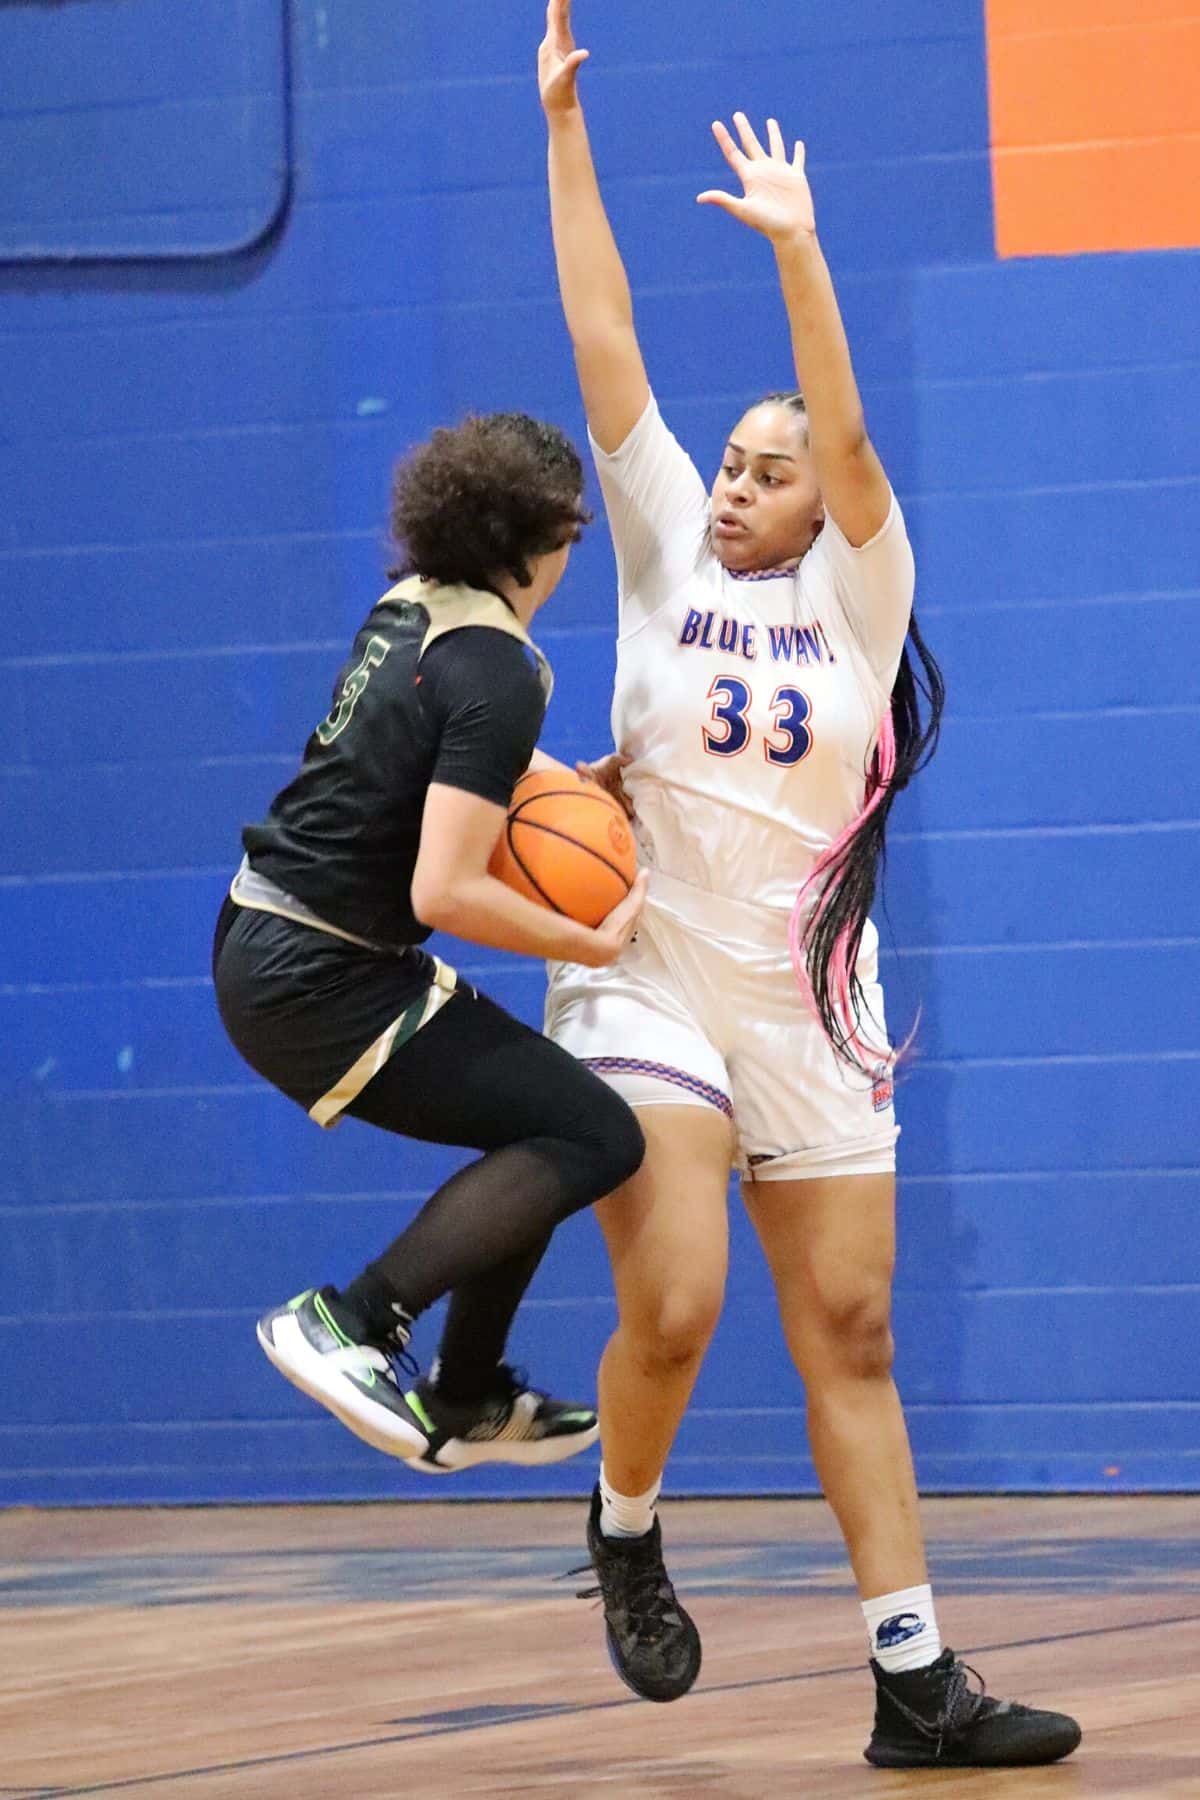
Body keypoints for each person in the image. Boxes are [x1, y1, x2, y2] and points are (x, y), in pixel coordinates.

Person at [538, 0, 1080, 1768]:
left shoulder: (861, 589)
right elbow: (604, 333)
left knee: (849, 1327)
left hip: (810, 1000)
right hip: (647, 975)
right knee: (680, 1294)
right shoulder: (655, 555)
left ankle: (914, 1681)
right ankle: (624, 1525)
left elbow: (848, 435)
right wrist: (563, 132)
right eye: (739, 464)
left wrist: (803, 254)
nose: (746, 484)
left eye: (770, 469)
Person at [213, 407, 648, 1477]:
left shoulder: (409, 607)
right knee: (597, 1138)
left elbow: (412, 770)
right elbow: (447, 885)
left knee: (550, 1124)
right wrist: (586, 943)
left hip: (277, 938)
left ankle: (465, 1396)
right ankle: (352, 1320)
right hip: (318, 975)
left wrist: (550, 787)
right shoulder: (506, 668)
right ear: (539, 539)